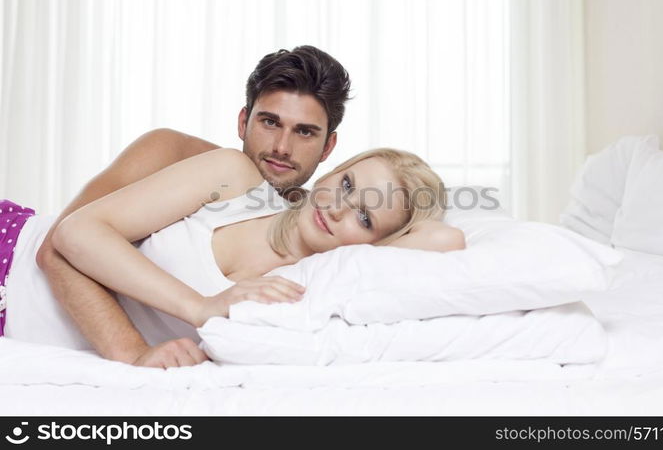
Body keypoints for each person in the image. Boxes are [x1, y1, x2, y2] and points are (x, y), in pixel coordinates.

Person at [29, 45, 351, 368]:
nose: (282, 147)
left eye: (305, 132)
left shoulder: (317, 224)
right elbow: (53, 251)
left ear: (328, 147)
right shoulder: (174, 152)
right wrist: (133, 352)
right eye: (269, 122)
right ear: (243, 122)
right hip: (10, 253)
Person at [2, 147, 464, 368]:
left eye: (363, 217)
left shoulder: (312, 283)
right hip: (13, 250)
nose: (337, 208)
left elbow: (446, 240)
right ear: (333, 171)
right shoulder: (236, 181)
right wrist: (197, 307)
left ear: (377, 246)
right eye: (346, 185)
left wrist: (391, 232)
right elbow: (77, 232)